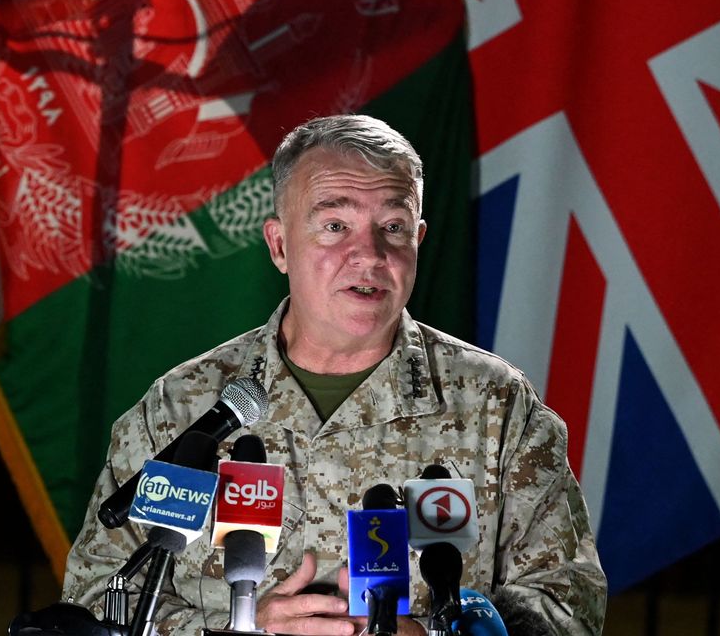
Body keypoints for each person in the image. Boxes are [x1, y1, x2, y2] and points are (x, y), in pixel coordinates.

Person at [62, 114, 608, 634]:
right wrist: (234, 631)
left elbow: (568, 601)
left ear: (417, 239)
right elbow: (94, 599)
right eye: (334, 225)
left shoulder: (496, 408)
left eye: (392, 226)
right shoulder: (184, 410)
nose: (368, 254)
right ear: (279, 245)